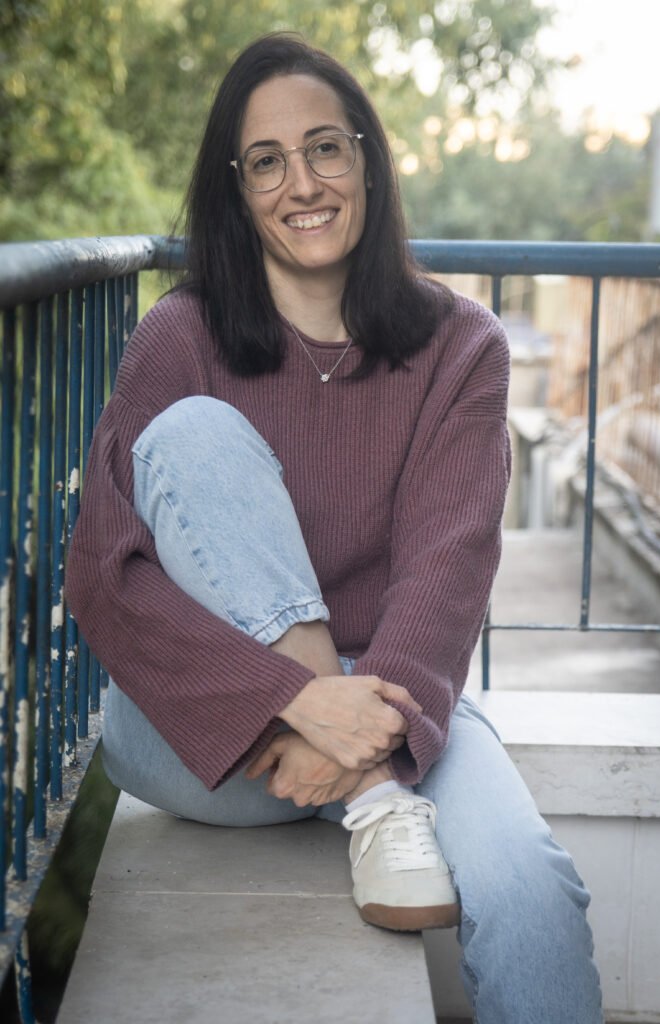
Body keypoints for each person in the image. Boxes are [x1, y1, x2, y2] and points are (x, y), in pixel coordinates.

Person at [65, 32, 603, 1022]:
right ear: (236, 190)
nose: (301, 184)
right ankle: (373, 802)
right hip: (197, 724)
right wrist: (297, 703)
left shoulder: (460, 348)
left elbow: (445, 571)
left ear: (367, 161)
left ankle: (365, 784)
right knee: (192, 435)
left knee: (531, 891)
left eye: (323, 148)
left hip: (391, 694)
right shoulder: (177, 337)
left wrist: (356, 722)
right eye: (266, 161)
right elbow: (106, 577)